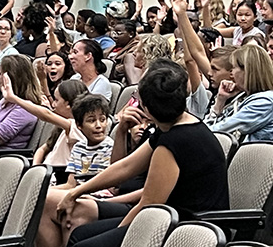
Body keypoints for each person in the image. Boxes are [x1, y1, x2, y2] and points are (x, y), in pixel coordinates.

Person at [57, 58, 229, 247]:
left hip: (190, 228)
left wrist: (118, 235)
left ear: (146, 109)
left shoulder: (173, 142)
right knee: (80, 234)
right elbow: (126, 166)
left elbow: (148, 204)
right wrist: (76, 192)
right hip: (169, 217)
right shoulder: (176, 125)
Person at [204, 43, 273, 142]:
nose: (231, 74)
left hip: (249, 156)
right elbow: (210, 130)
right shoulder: (243, 97)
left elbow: (220, 130)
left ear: (247, 71)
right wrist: (220, 102)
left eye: (233, 68)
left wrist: (193, 134)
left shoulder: (265, 102)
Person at [3, 80, 89, 167]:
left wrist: (14, 98)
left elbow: (46, 115)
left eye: (56, 100)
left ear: (68, 104)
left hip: (58, 176)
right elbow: (42, 149)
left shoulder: (78, 127)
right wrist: (35, 167)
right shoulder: (61, 127)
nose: (53, 104)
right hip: (43, 172)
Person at [58, 95, 114, 188]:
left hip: (97, 194)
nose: (99, 125)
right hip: (76, 192)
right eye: (91, 121)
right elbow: (70, 184)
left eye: (102, 119)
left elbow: (104, 185)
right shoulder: (78, 147)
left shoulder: (110, 147)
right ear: (79, 125)